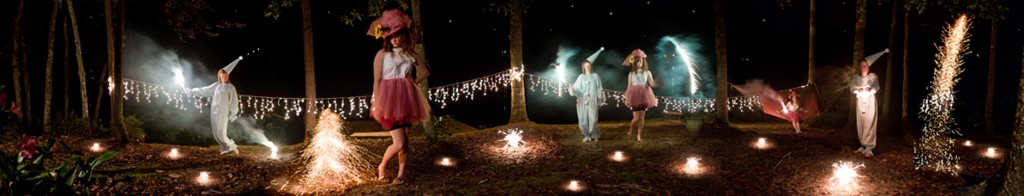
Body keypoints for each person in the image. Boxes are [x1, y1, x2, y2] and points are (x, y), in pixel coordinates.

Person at [368, 9, 430, 185]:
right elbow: (377, 81)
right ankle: (382, 166)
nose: (395, 39)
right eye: (391, 36)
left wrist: (413, 82)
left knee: (406, 141)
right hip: (389, 99)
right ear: (387, 37)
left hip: (407, 99)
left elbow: (425, 72)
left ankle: (401, 174)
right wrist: (377, 102)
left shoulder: (410, 53)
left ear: (403, 36)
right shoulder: (382, 55)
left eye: (398, 35)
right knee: (399, 142)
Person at [185, 56, 242, 155]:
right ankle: (225, 148)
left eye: (225, 76)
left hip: (223, 112)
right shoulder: (216, 86)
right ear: (219, 76)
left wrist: (233, 113)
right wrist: (192, 91)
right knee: (216, 133)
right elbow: (205, 90)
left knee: (221, 132)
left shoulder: (230, 87)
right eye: (222, 75)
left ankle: (232, 147)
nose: (223, 77)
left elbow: (234, 101)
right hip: (214, 111)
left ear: (228, 76)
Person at [851, 49, 888, 157]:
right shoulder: (856, 78)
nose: (864, 67)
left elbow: (875, 86)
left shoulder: (873, 76)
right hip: (860, 101)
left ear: (869, 66)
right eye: (862, 65)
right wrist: (859, 90)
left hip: (870, 101)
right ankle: (863, 146)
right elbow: (852, 88)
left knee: (869, 122)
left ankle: (869, 148)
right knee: (861, 122)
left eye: (866, 65)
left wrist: (869, 90)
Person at [569, 48, 605, 142]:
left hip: (592, 100)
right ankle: (586, 135)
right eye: (586, 66)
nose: (587, 67)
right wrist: (572, 89)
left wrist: (599, 100)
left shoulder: (595, 76)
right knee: (582, 119)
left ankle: (595, 135)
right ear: (584, 67)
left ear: (591, 66)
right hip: (582, 101)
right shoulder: (581, 77)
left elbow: (599, 89)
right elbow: (577, 89)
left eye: (589, 66)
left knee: (593, 119)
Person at [622, 49, 657, 141]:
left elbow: (651, 83)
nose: (639, 63)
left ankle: (638, 135)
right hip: (634, 96)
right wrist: (626, 95)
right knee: (636, 118)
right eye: (637, 61)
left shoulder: (647, 72)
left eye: (640, 61)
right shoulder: (631, 73)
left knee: (642, 117)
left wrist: (657, 83)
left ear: (643, 61)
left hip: (645, 95)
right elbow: (629, 85)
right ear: (635, 63)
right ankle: (631, 129)